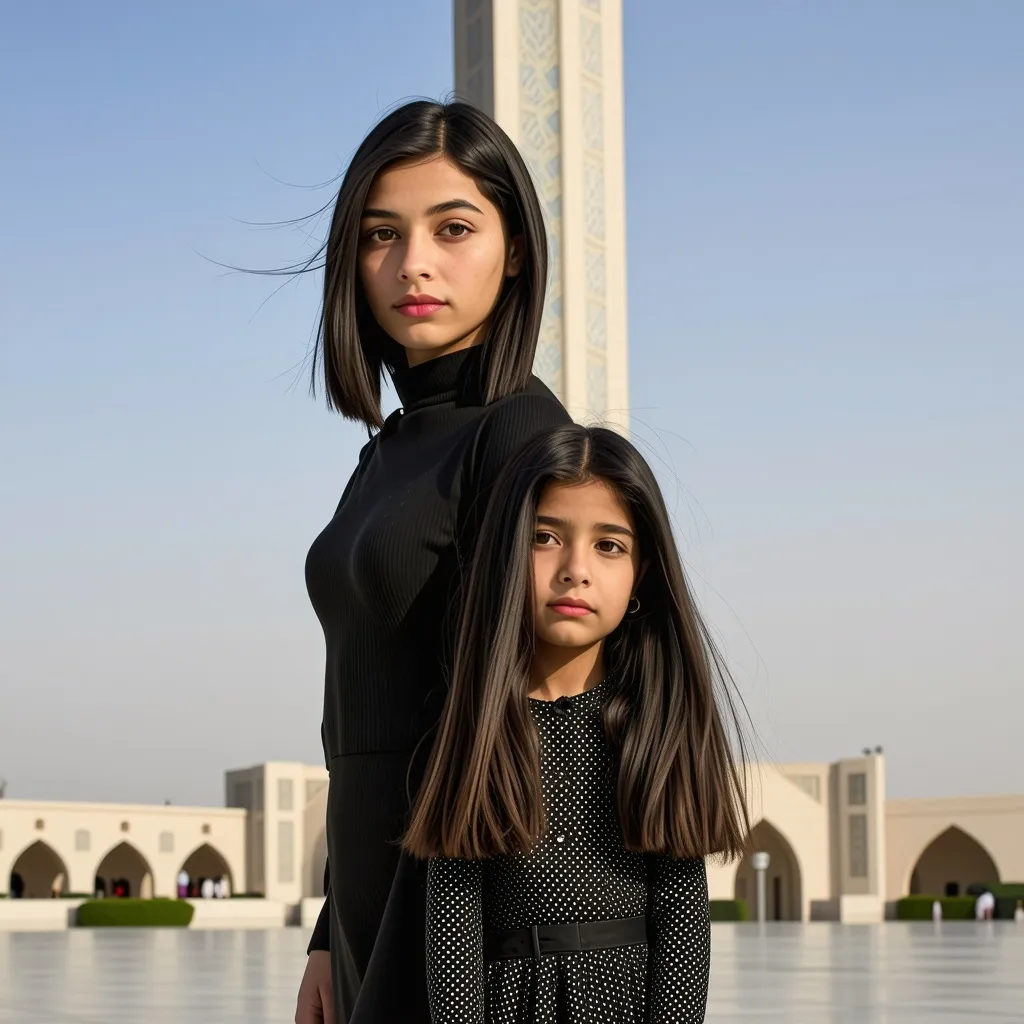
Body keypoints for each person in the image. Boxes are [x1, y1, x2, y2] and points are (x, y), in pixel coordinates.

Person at [295, 100, 570, 1024]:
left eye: (454, 228)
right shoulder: (391, 447)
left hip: (461, 909)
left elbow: (542, 728)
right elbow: (368, 706)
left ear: (517, 248)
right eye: (381, 233)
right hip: (373, 892)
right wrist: (331, 932)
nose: (413, 263)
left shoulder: (524, 436)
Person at [404, 424, 751, 1023]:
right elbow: (453, 926)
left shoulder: (656, 726)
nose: (575, 569)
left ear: (642, 572)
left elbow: (683, 921)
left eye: (609, 545)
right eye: (545, 537)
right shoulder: (477, 731)